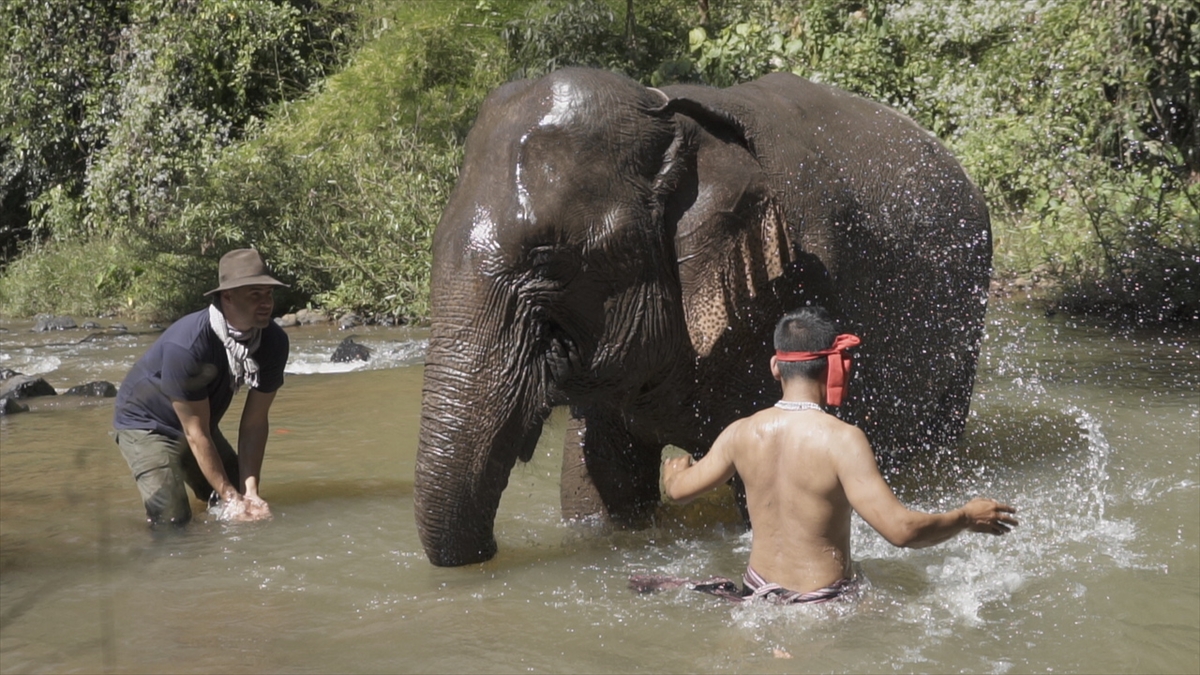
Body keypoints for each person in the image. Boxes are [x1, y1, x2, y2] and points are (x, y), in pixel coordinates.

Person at [656, 306, 1018, 604]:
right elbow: (902, 531)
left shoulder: (741, 433)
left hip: (756, 597)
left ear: (775, 366)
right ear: (835, 367)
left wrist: (674, 474)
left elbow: (679, 491)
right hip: (823, 607)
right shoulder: (842, 441)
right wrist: (967, 516)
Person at [112, 249, 290, 526]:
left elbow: (255, 422)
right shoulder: (189, 344)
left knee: (244, 499)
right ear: (227, 296)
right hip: (147, 424)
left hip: (201, 423)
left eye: (268, 294)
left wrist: (249, 492)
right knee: (172, 520)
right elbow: (195, 434)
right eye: (255, 294)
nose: (266, 302)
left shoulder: (273, 342)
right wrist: (230, 497)